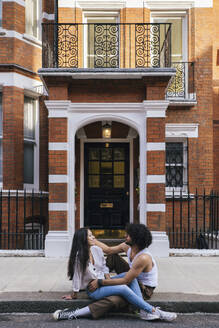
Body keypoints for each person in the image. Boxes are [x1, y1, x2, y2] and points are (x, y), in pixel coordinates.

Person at [53, 227, 177, 322]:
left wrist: (105, 280)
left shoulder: (97, 250)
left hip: (143, 288)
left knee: (122, 287)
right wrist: (74, 294)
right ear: (83, 240)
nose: (94, 238)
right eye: (90, 236)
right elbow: (77, 276)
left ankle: (144, 311)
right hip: (93, 287)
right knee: (123, 286)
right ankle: (152, 311)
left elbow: (103, 267)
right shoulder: (80, 257)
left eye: (128, 235)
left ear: (136, 239)